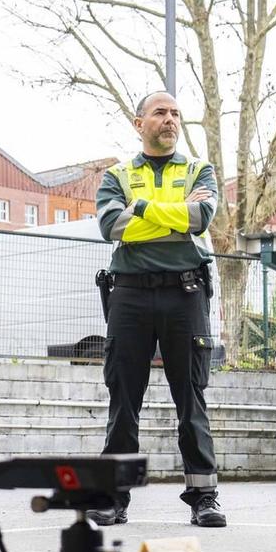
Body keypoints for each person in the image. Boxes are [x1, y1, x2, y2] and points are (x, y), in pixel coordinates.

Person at [90, 92, 225, 529]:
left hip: (185, 294)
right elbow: (113, 226)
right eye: (160, 113)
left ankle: (204, 497)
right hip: (128, 296)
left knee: (191, 398)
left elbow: (200, 218)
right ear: (139, 123)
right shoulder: (117, 175)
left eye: (175, 114)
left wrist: (144, 209)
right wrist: (176, 215)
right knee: (123, 401)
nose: (169, 120)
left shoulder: (199, 170)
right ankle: (113, 498)